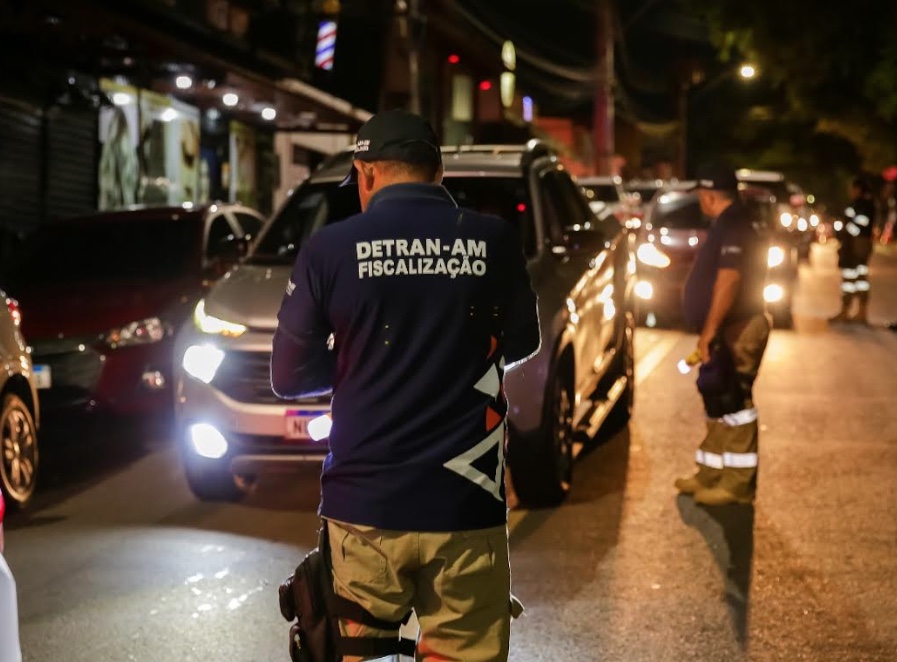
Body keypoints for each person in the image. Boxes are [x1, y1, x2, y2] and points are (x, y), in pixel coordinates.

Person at [270, 109, 540, 661]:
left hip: (366, 508)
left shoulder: (329, 248)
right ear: (438, 171)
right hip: (466, 505)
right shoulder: (493, 240)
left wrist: (359, 364)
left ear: (365, 172)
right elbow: (524, 340)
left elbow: (288, 376)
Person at [675, 162, 771, 506]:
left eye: (700, 195)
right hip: (726, 330)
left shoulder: (735, 225)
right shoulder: (727, 223)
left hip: (738, 328)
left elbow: (729, 280)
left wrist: (710, 331)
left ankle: (737, 485)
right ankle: (711, 471)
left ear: (708, 195)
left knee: (735, 403)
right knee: (717, 398)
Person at [830, 175, 876, 324]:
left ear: (858, 189)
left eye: (853, 188)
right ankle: (848, 311)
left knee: (858, 279)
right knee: (851, 280)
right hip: (853, 245)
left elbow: (859, 227)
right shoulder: (858, 204)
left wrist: (845, 228)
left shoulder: (864, 205)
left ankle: (859, 313)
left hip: (858, 245)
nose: (851, 191)